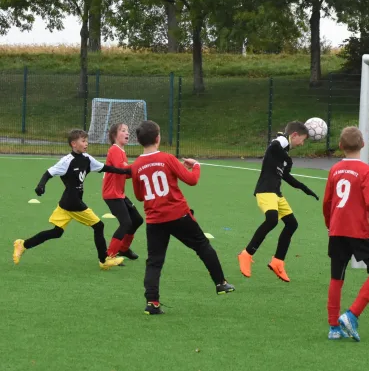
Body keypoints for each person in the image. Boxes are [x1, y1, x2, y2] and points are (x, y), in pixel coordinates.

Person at [130, 120, 234, 315]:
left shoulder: (135, 166)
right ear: (158, 138)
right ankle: (221, 283)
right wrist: (196, 166)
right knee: (202, 246)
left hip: (155, 219)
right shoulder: (167, 158)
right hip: (178, 215)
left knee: (154, 261)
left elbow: (139, 196)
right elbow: (192, 180)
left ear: (138, 140)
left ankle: (152, 303)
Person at [13, 129, 128, 270]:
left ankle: (23, 244)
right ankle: (103, 260)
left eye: (87, 141)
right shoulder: (66, 161)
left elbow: (105, 167)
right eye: (83, 141)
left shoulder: (87, 158)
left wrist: (126, 171)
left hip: (66, 203)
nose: (86, 143)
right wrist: (41, 186)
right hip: (73, 203)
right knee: (99, 226)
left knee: (56, 232)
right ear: (74, 144)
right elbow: (49, 172)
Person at [323, 126, 369, 342]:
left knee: (336, 277)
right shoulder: (367, 171)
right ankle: (352, 314)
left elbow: (327, 202)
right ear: (363, 145)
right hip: (358, 230)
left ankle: (333, 327)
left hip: (337, 229)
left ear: (340, 146)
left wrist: (329, 224)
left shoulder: (335, 170)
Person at [237, 121, 319, 282]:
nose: (302, 143)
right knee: (272, 220)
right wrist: (287, 158)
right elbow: (272, 147)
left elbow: (286, 176)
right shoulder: (282, 141)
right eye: (302, 139)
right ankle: (246, 254)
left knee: (292, 224)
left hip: (276, 192)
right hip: (265, 190)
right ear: (294, 135)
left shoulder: (285, 151)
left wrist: (304, 188)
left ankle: (278, 262)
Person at [102, 123, 143, 260]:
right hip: (111, 194)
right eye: (123, 130)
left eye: (128, 131)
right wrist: (140, 164)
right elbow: (121, 168)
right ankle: (110, 255)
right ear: (114, 135)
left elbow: (125, 174)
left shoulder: (121, 152)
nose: (127, 133)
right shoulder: (114, 150)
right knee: (126, 223)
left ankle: (123, 249)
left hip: (119, 194)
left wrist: (139, 171)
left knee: (137, 220)